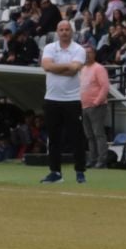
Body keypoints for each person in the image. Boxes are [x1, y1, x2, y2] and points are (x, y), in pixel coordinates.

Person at [39, 19, 88, 185]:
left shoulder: (79, 49)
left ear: (71, 32)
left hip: (72, 100)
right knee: (54, 138)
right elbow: (46, 66)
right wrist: (65, 67)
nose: (64, 32)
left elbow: (74, 69)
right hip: (52, 99)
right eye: (61, 30)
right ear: (57, 32)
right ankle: (55, 172)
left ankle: (80, 171)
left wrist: (55, 67)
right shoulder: (49, 48)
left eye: (67, 29)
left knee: (77, 138)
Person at [80, 46, 112, 169]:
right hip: (84, 106)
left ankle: (101, 160)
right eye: (85, 53)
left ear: (94, 54)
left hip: (96, 106)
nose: (87, 55)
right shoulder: (83, 69)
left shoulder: (99, 68)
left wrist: (97, 101)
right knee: (89, 135)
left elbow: (105, 86)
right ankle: (92, 159)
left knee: (98, 134)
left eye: (89, 52)